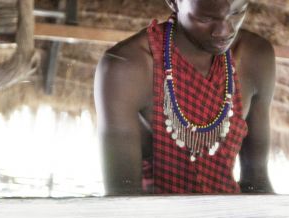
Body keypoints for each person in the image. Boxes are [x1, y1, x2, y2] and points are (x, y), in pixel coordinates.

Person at [93, 0, 276, 195]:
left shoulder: (255, 56)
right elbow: (123, 200)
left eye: (237, 12)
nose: (225, 31)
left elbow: (257, 181)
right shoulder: (127, 68)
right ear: (173, 2)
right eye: (206, 18)